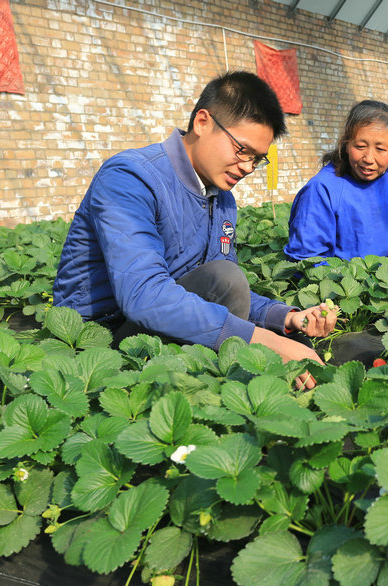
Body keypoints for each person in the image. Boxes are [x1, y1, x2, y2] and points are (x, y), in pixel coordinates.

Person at [53, 71, 333, 389]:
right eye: (242, 150)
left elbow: (221, 289)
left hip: (158, 327)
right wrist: (267, 343)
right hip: (96, 343)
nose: (246, 167)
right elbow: (145, 295)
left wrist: (284, 317)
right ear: (202, 122)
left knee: (227, 278)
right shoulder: (130, 177)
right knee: (230, 285)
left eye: (257, 159)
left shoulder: (222, 199)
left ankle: (215, 393)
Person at [283, 100, 388, 268]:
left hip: (385, 276)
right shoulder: (322, 188)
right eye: (360, 146)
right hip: (342, 280)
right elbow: (307, 257)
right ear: (346, 144)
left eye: (380, 149)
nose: (368, 159)